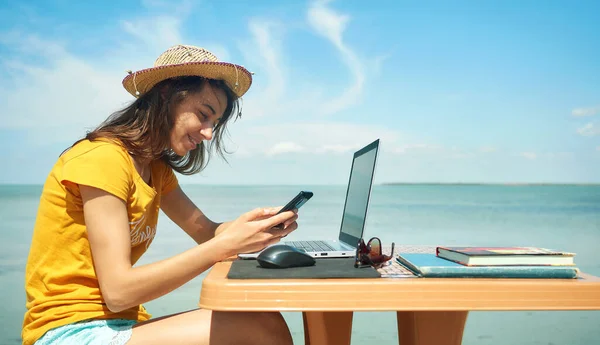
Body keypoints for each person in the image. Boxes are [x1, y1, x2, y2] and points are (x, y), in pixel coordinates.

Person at [22, 44, 298, 345]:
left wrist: (255, 226)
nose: (208, 133)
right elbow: (118, 291)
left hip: (120, 323)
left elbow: (206, 232)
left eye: (214, 124)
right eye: (204, 115)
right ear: (167, 94)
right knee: (261, 325)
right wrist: (225, 245)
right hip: (70, 332)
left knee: (259, 317)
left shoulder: (155, 169)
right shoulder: (102, 158)